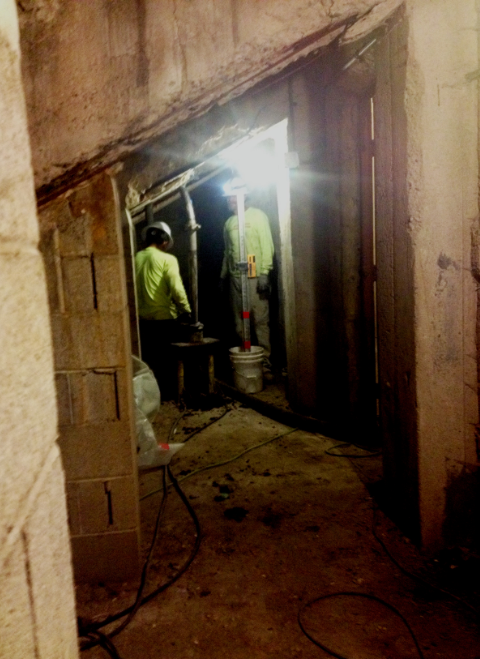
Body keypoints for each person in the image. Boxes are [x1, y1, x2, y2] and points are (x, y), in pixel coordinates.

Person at [220, 190, 274, 374]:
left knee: (259, 320)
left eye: (232, 196)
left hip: (254, 275)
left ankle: (264, 361)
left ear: (243, 196)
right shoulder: (229, 223)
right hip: (236, 277)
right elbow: (227, 252)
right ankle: (245, 357)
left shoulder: (258, 216)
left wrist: (264, 273)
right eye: (228, 197)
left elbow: (267, 245)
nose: (229, 200)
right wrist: (223, 276)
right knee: (239, 321)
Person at [135, 221, 191, 397]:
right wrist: (186, 310)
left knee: (148, 360)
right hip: (163, 318)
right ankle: (167, 394)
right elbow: (176, 288)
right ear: (165, 241)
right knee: (166, 359)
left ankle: (150, 395)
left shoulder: (135, 258)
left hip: (141, 319)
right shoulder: (168, 259)